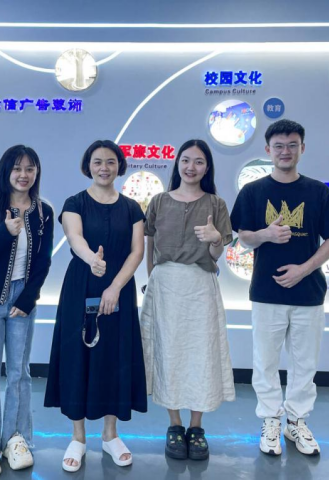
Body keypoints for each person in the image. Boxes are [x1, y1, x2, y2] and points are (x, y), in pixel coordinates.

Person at [230, 119, 329, 456]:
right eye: (279, 146)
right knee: (265, 362)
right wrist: (266, 234)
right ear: (268, 150)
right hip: (266, 292)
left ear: (302, 148)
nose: (285, 151)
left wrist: (304, 270)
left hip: (308, 293)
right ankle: (271, 420)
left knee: (304, 363)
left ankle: (296, 422)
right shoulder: (253, 192)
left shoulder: (318, 192)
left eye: (292, 145)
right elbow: (243, 237)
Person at [44, 140, 147, 472]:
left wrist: (115, 286)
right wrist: (92, 260)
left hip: (120, 290)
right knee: (78, 355)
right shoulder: (74, 203)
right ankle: (78, 437)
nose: (104, 168)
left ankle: (110, 435)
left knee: (115, 357)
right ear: (88, 165)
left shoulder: (132, 207)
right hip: (81, 286)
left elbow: (137, 252)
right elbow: (75, 238)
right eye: (98, 162)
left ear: (120, 166)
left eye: (111, 162)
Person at [140, 139, 236, 461]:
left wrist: (215, 240)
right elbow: (150, 246)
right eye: (185, 160)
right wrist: (152, 280)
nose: (190, 167)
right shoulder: (159, 201)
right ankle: (174, 424)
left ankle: (196, 427)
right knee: (168, 353)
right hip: (165, 285)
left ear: (207, 168)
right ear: (177, 163)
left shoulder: (216, 204)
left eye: (198, 162)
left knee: (200, 354)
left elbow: (216, 253)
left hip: (200, 285)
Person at [0, 145, 54, 477]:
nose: (23, 174)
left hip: (22, 300)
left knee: (19, 372)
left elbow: (43, 261)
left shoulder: (44, 212)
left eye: (30, 168)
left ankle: (16, 438)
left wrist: (28, 298)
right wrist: (5, 232)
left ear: (36, 173)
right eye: (17, 168)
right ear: (6, 171)